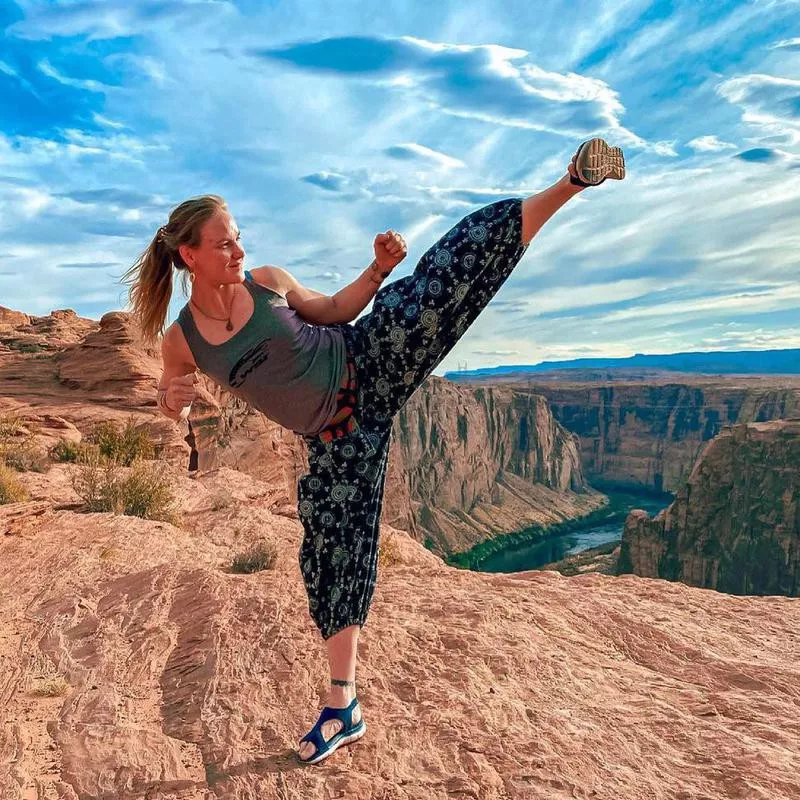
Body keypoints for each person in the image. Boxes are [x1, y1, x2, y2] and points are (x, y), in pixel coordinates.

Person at [122, 137, 625, 766]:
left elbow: (335, 311)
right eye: (224, 243)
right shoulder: (183, 339)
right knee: (331, 557)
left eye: (239, 237)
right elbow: (173, 399)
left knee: (448, 275)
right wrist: (176, 397)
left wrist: (379, 269)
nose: (239, 250)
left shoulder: (270, 283)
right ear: (188, 254)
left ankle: (571, 181)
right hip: (339, 438)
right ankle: (343, 707)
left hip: (371, 359)